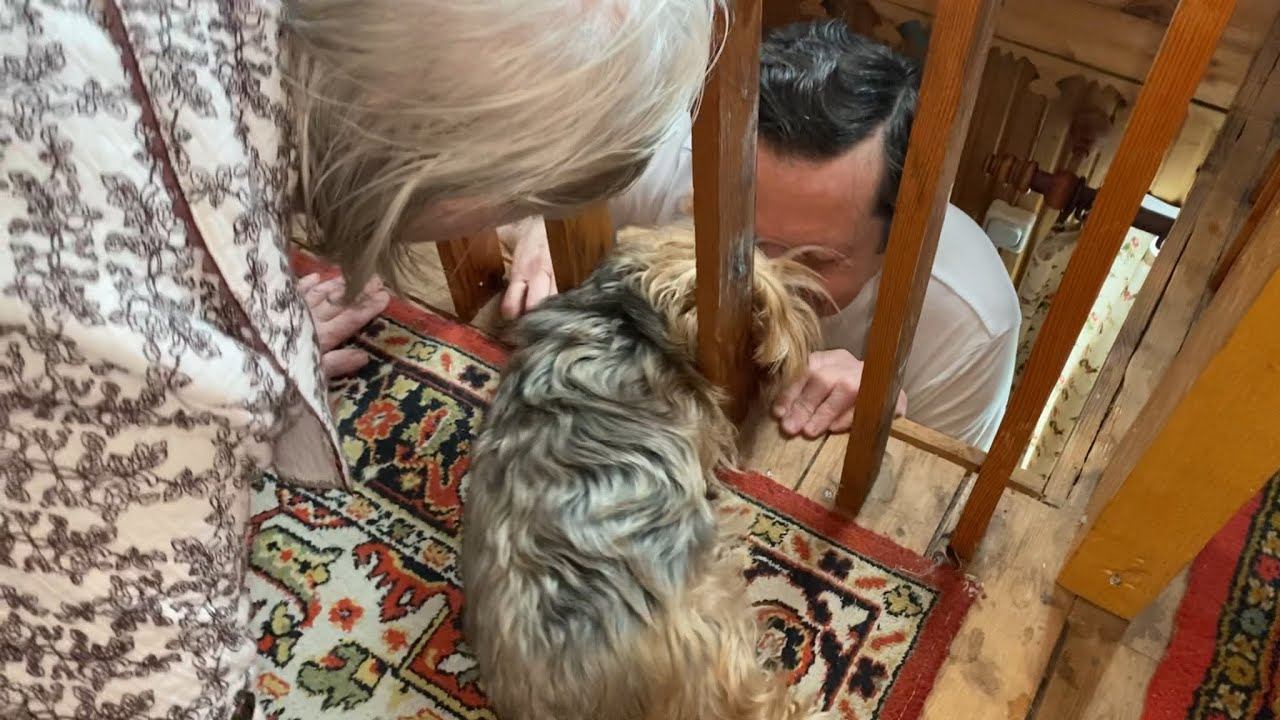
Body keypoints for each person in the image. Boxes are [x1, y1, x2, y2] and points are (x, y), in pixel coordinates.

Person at [0, 1, 720, 718]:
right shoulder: (124, 371)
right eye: (529, 205)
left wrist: (253, 317)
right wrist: (212, 356)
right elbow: (140, 688)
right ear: (440, 175)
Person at [503, 20, 1020, 450]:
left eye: (814, 260)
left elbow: (925, 513)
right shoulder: (665, 155)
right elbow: (526, 200)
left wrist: (896, 433)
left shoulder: (969, 322)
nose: (762, 281)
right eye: (744, 240)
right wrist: (546, 224)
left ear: (899, 233)